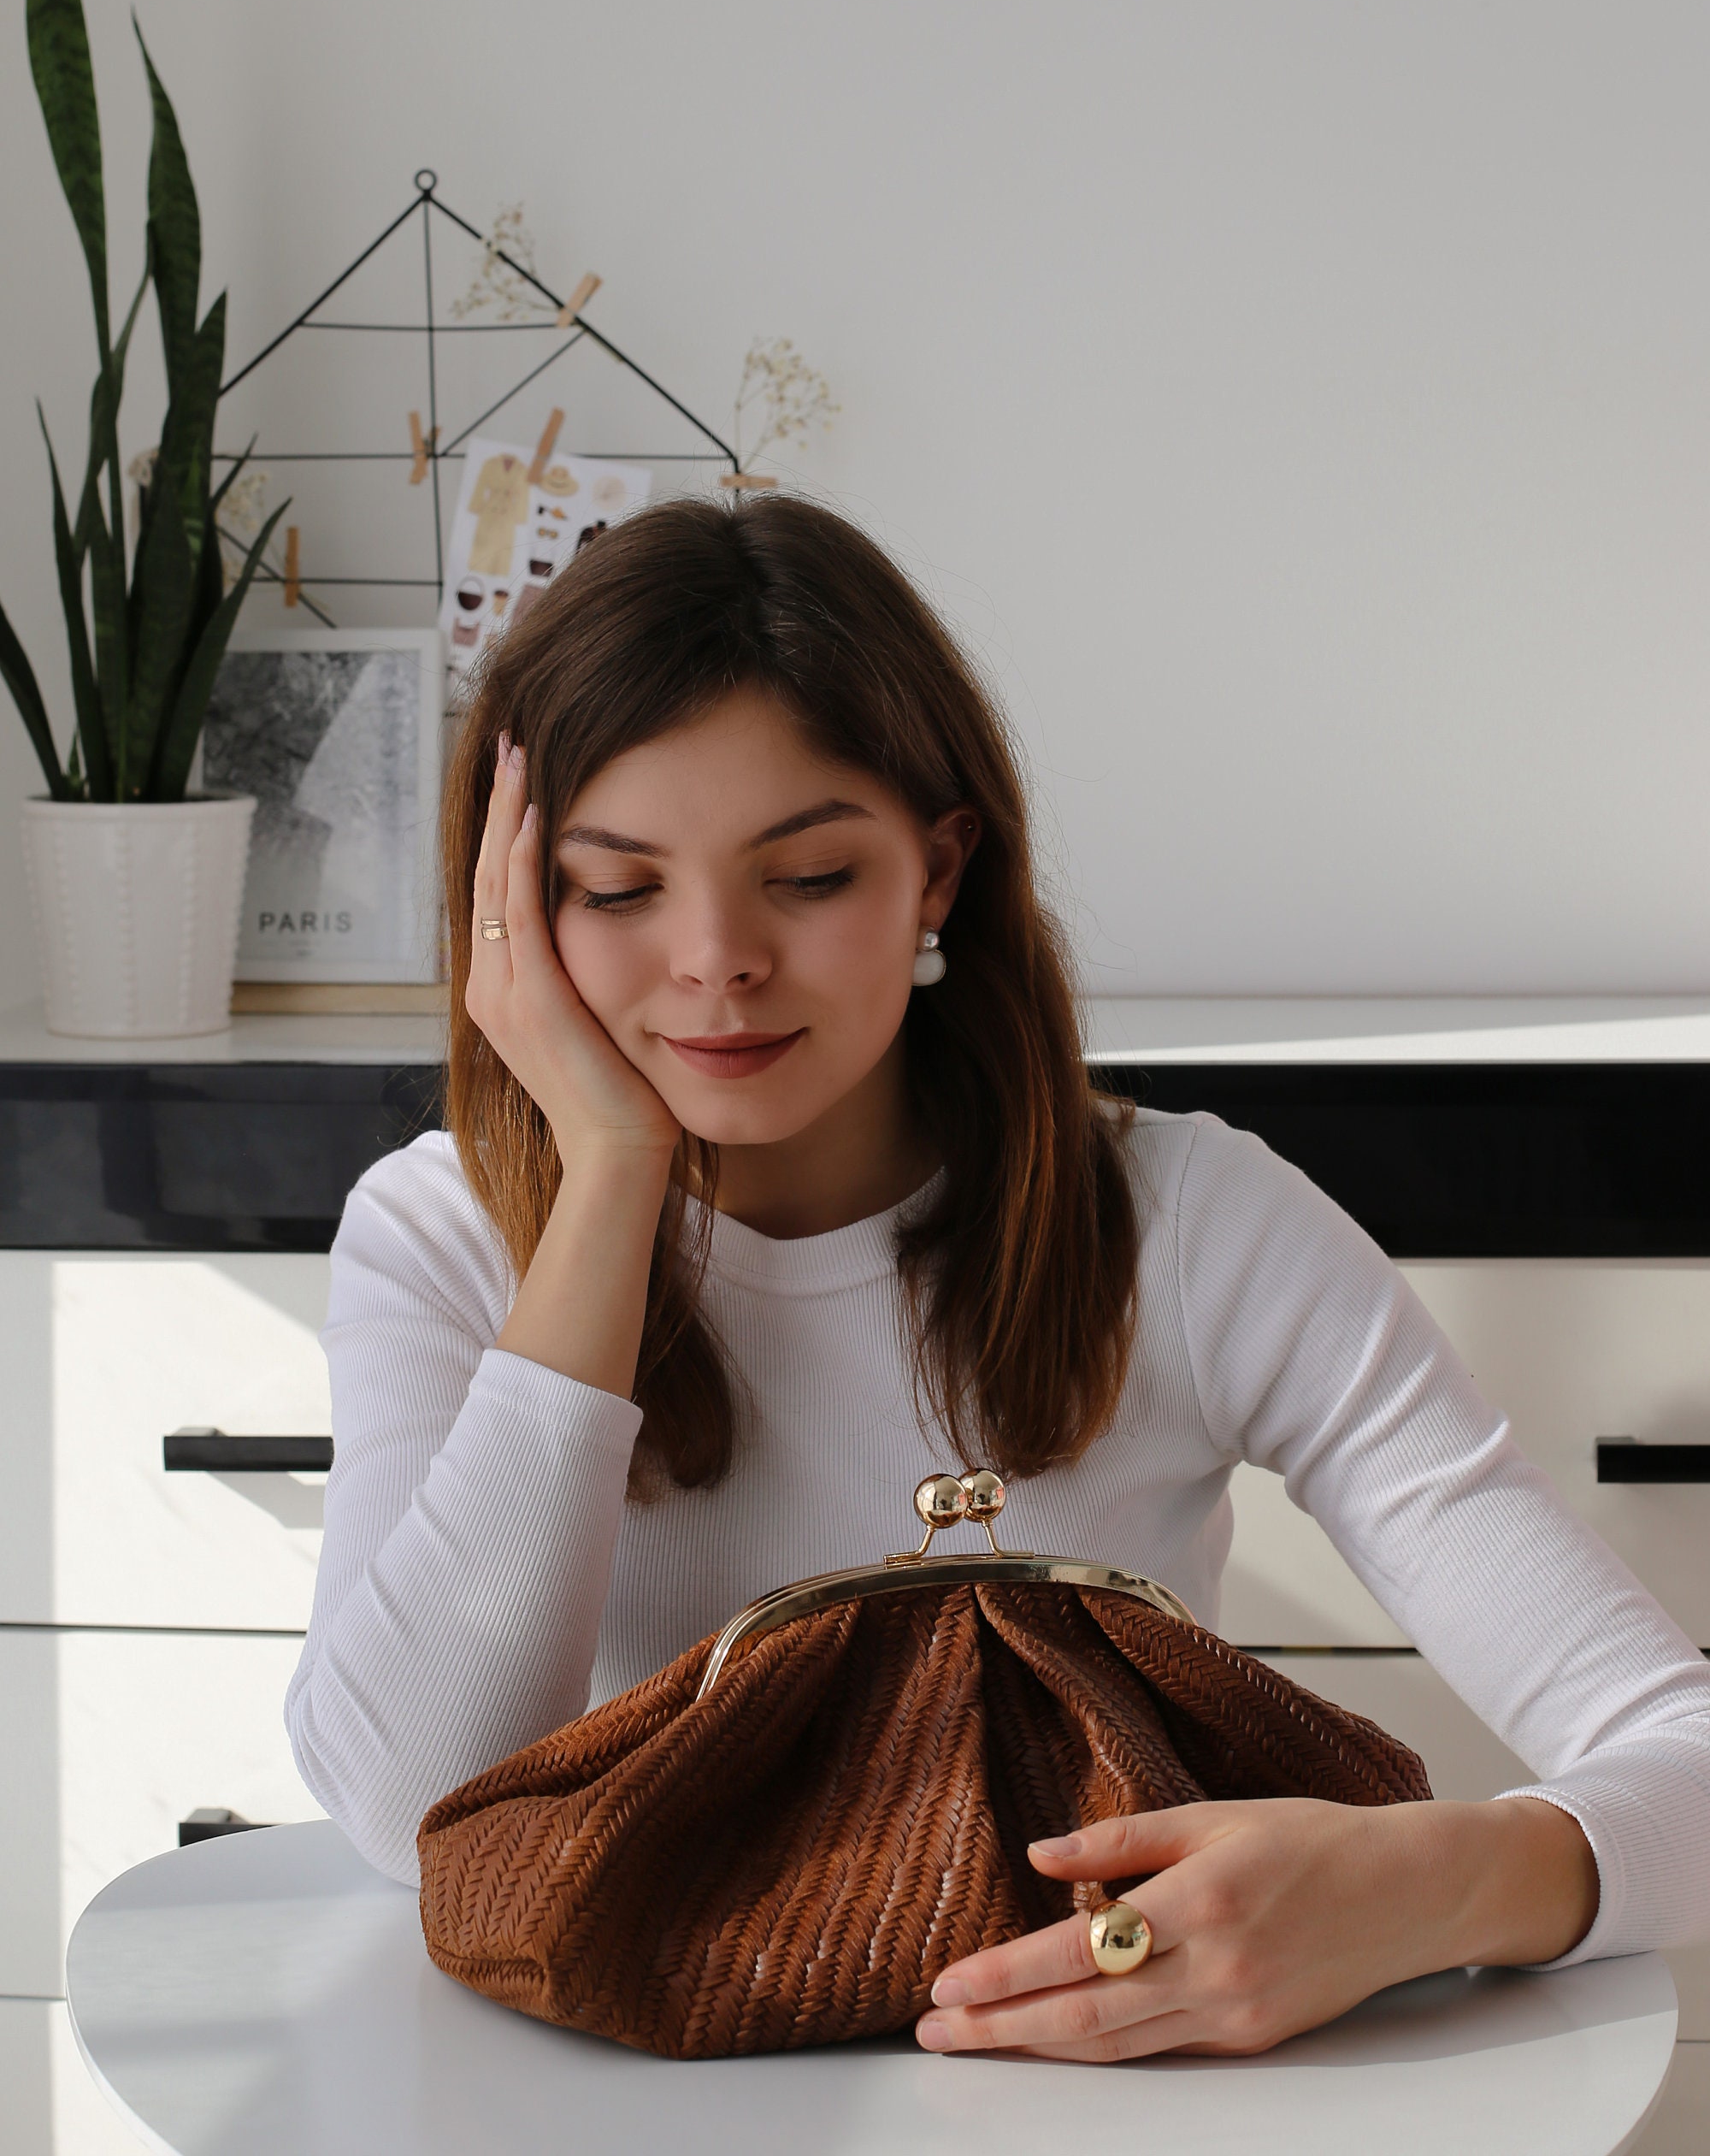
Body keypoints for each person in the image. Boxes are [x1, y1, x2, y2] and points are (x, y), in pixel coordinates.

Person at [286, 495, 1710, 2064]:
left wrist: (1429, 1887)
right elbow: (407, 1806)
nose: (713, 959)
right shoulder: (442, 1235)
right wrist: (613, 1180)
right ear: (514, 911)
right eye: (617, 890)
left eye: (809, 877)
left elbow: (1683, 1752)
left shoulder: (1189, 1225)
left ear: (940, 871)